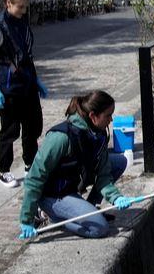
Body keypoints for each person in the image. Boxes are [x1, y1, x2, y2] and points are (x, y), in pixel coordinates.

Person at [18, 90, 137, 239]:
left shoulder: (98, 134)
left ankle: (90, 207)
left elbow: (104, 174)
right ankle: (54, 216)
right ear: (93, 116)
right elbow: (34, 178)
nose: (111, 120)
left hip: (73, 185)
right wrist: (26, 219)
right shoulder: (60, 138)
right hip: (54, 195)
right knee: (99, 229)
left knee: (119, 161)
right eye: (108, 115)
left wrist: (115, 197)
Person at [0, 0, 48, 189]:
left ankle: (30, 163)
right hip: (9, 87)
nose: (23, 11)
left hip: (27, 82)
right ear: (8, 3)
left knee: (33, 126)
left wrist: (36, 81)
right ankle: (5, 170)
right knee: (10, 130)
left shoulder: (23, 23)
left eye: (25, 7)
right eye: (19, 7)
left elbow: (27, 55)